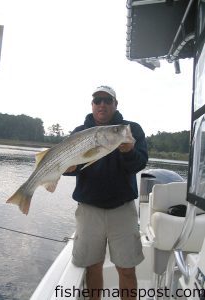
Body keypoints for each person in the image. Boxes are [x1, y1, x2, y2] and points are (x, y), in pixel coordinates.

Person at [65, 85, 148, 300]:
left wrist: (129, 151)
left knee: (126, 269)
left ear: (115, 104)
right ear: (92, 105)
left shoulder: (130, 130)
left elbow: (139, 164)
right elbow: (71, 170)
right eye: (97, 100)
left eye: (107, 100)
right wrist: (67, 168)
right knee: (93, 266)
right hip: (89, 210)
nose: (102, 104)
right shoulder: (79, 133)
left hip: (122, 210)